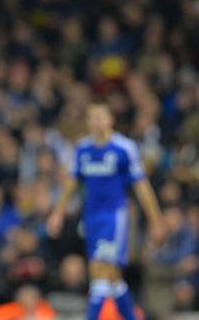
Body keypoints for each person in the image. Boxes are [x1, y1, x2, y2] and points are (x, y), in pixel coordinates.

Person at [47, 100, 165, 320]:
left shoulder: (124, 148)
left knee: (99, 272)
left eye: (102, 116)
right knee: (112, 277)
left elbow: (142, 187)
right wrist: (58, 212)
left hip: (115, 216)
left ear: (111, 119)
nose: (97, 122)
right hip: (91, 216)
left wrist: (156, 221)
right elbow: (71, 183)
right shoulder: (82, 148)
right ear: (88, 121)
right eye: (93, 117)